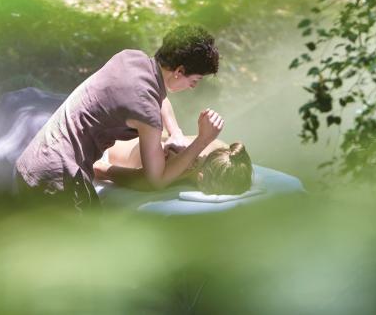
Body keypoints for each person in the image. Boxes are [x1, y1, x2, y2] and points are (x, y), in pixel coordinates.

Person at [14, 25, 223, 208]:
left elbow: (157, 98)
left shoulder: (131, 58)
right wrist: (203, 140)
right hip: (58, 180)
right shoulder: (146, 111)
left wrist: (175, 132)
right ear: (179, 71)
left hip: (32, 162)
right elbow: (156, 180)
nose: (192, 87)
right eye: (194, 80)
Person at [94, 135, 253, 195]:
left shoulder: (220, 147)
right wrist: (100, 168)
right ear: (201, 178)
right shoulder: (177, 170)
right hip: (105, 147)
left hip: (131, 134)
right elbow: (101, 170)